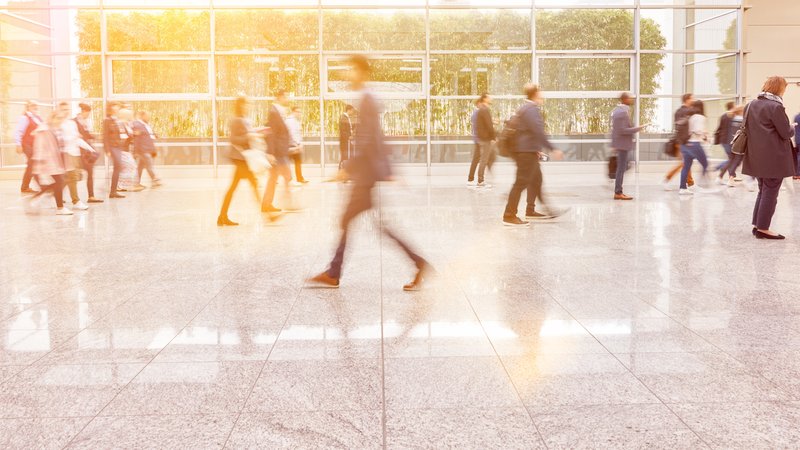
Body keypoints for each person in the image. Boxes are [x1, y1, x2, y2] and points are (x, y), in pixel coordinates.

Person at [307, 55, 429, 291]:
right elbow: (376, 138)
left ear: (361, 72)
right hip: (367, 175)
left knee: (353, 221)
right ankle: (335, 271)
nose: (347, 74)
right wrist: (385, 171)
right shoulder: (367, 98)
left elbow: (368, 141)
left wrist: (348, 169)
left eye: (350, 69)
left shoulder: (367, 100)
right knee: (372, 224)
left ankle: (334, 273)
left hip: (365, 177)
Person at [502, 84, 565, 227]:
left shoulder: (526, 108)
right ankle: (509, 215)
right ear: (535, 94)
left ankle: (533, 210)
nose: (542, 95)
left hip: (528, 151)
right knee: (520, 183)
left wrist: (536, 149)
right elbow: (538, 131)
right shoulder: (531, 109)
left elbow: (528, 132)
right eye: (540, 92)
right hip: (526, 153)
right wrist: (553, 149)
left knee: (536, 180)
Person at [743, 76, 796, 240]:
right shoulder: (776, 106)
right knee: (771, 192)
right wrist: (792, 128)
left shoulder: (751, 104)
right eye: (784, 88)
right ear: (779, 88)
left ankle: (757, 225)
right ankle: (763, 228)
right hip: (774, 157)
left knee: (763, 190)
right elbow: (785, 133)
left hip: (756, 155)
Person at [217, 96, 262, 226]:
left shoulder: (243, 119)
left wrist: (255, 133)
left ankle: (222, 216)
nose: (248, 106)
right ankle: (268, 215)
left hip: (243, 159)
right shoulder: (237, 120)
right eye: (246, 104)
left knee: (235, 187)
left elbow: (244, 135)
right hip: (240, 159)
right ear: (240, 105)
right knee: (253, 184)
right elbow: (233, 139)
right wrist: (248, 136)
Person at [27, 111, 72, 215]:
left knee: (60, 181)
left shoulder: (57, 129)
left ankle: (40, 196)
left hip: (57, 159)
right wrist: (40, 161)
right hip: (48, 160)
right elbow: (39, 146)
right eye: (58, 118)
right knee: (59, 181)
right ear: (52, 118)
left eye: (61, 119)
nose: (60, 121)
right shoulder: (44, 129)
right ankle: (60, 208)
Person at [261, 90, 293, 216]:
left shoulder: (279, 111)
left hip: (279, 151)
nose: (288, 99)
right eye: (286, 97)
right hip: (277, 152)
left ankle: (267, 204)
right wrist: (270, 153)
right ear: (280, 97)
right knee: (286, 176)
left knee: (275, 177)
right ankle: (289, 203)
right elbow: (271, 134)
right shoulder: (274, 112)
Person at [610, 92, 645, 200]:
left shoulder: (618, 111)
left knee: (624, 166)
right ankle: (618, 192)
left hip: (621, 144)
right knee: (621, 168)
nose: (631, 100)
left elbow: (616, 129)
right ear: (624, 99)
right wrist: (638, 128)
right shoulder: (621, 113)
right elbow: (622, 130)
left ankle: (618, 189)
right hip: (622, 145)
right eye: (629, 98)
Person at [57, 102, 92, 211]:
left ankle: (52, 194)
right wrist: (73, 137)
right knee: (72, 177)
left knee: (69, 178)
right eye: (63, 109)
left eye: (67, 109)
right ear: (59, 110)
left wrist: (89, 148)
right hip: (66, 153)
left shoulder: (71, 123)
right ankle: (76, 201)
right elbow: (61, 140)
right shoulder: (58, 124)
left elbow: (77, 139)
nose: (66, 111)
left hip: (75, 152)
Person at [663, 93, 695, 190]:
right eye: (692, 98)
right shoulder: (686, 112)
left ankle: (690, 183)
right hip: (682, 142)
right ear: (687, 100)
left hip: (681, 141)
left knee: (686, 162)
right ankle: (667, 179)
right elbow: (682, 128)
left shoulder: (678, 111)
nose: (693, 100)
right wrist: (685, 141)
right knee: (684, 163)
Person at [679, 100, 709, 195]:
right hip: (695, 144)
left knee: (686, 167)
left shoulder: (690, 117)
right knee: (705, 164)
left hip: (686, 144)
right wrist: (704, 134)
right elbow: (698, 130)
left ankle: (682, 188)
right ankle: (702, 185)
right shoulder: (700, 117)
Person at [74, 103, 102, 203]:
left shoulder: (85, 122)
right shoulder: (74, 122)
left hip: (86, 153)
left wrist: (94, 136)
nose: (88, 116)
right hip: (77, 153)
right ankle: (57, 193)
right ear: (83, 111)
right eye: (88, 113)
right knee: (71, 176)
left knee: (90, 173)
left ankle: (91, 196)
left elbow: (86, 135)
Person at [14, 101, 43, 194]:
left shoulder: (38, 118)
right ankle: (27, 187)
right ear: (28, 108)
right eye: (32, 105)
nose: (35, 107)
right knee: (32, 163)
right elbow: (18, 131)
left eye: (36, 105)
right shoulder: (25, 118)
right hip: (27, 144)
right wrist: (18, 144)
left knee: (32, 164)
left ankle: (26, 186)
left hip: (35, 145)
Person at [131, 111, 162, 190]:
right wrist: (135, 151)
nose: (149, 118)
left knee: (140, 167)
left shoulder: (146, 125)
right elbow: (136, 139)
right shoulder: (137, 124)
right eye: (147, 116)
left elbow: (147, 136)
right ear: (142, 116)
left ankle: (136, 183)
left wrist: (154, 135)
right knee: (149, 165)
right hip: (142, 149)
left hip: (147, 149)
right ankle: (155, 180)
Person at [103, 101, 126, 199]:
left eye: (117, 107)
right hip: (112, 147)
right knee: (118, 167)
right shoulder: (107, 120)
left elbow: (120, 133)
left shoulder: (117, 120)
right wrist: (107, 150)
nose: (116, 108)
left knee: (118, 168)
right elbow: (105, 136)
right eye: (115, 106)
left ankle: (113, 191)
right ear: (110, 108)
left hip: (118, 147)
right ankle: (113, 191)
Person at [473, 93, 496, 188]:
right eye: (489, 97)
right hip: (485, 139)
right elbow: (489, 125)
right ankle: (480, 181)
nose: (491, 98)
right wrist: (493, 137)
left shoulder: (481, 109)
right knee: (484, 160)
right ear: (485, 98)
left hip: (482, 138)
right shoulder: (485, 109)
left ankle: (480, 180)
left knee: (483, 160)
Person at [714, 102, 736, 184]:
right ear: (732, 107)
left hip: (723, 140)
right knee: (732, 159)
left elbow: (719, 128)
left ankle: (731, 176)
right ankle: (721, 173)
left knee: (731, 159)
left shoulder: (723, 116)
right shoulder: (732, 116)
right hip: (729, 141)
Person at [286, 106, 308, 184]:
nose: (299, 114)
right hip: (291, 145)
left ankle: (299, 178)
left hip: (296, 145)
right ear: (293, 112)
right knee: (286, 162)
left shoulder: (297, 121)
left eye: (300, 112)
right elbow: (291, 134)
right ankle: (288, 179)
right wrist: (297, 144)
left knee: (297, 162)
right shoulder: (289, 121)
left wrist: (300, 143)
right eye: (297, 112)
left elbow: (298, 133)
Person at [466, 99, 482, 186]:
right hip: (479, 140)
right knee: (477, 159)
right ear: (478, 104)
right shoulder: (477, 113)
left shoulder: (475, 113)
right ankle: (473, 178)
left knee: (477, 159)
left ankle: (472, 178)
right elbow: (479, 127)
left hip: (477, 139)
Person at [339, 104, 355, 168]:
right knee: (344, 156)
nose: (353, 112)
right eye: (352, 111)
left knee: (346, 155)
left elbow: (348, 128)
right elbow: (343, 130)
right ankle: (342, 169)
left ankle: (344, 169)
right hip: (345, 141)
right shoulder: (343, 118)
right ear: (349, 110)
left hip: (346, 141)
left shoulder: (346, 118)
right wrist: (348, 136)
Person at [794, 111, 800, 180]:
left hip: (797, 139)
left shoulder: (796, 116)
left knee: (798, 156)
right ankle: (798, 174)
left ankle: (796, 173)